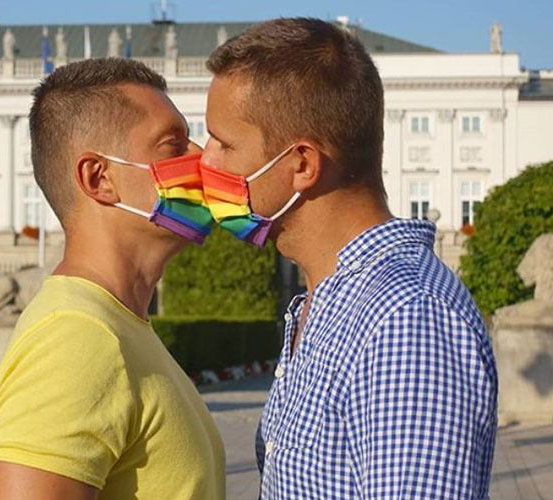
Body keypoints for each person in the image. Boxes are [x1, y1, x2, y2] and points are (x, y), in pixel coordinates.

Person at [201, 18, 498, 499]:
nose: (204, 161)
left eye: (224, 143)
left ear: (301, 165)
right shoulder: (328, 300)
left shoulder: (406, 319)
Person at [0, 58, 224, 500]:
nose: (202, 156)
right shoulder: (77, 338)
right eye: (173, 145)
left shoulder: (115, 325)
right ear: (99, 178)